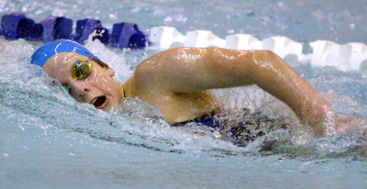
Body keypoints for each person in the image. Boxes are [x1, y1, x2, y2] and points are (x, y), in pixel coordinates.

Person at [31, 40, 354, 137]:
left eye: (82, 71)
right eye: (64, 88)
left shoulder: (152, 77)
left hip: (285, 140)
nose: (81, 90)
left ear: (105, 66)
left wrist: (317, 114)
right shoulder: (111, 125)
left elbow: (259, 61)